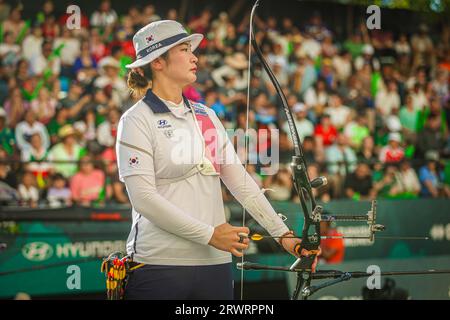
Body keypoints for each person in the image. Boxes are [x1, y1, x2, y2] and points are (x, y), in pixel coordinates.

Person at [116, 20, 318, 300]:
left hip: (215, 265)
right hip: (159, 264)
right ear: (158, 62)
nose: (195, 57)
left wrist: (285, 236)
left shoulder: (205, 115)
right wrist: (210, 234)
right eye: (184, 50)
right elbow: (143, 199)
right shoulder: (136, 120)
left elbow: (239, 181)